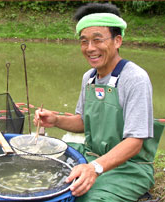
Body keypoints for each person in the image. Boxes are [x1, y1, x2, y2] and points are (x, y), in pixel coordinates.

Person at [34, 3, 156, 202]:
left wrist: (94, 168)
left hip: (130, 167)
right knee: (46, 164)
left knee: (83, 198)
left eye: (97, 40)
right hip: (91, 154)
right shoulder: (89, 77)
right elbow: (83, 122)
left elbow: (135, 143)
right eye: (84, 41)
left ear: (117, 41)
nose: (90, 48)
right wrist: (55, 120)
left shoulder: (135, 79)